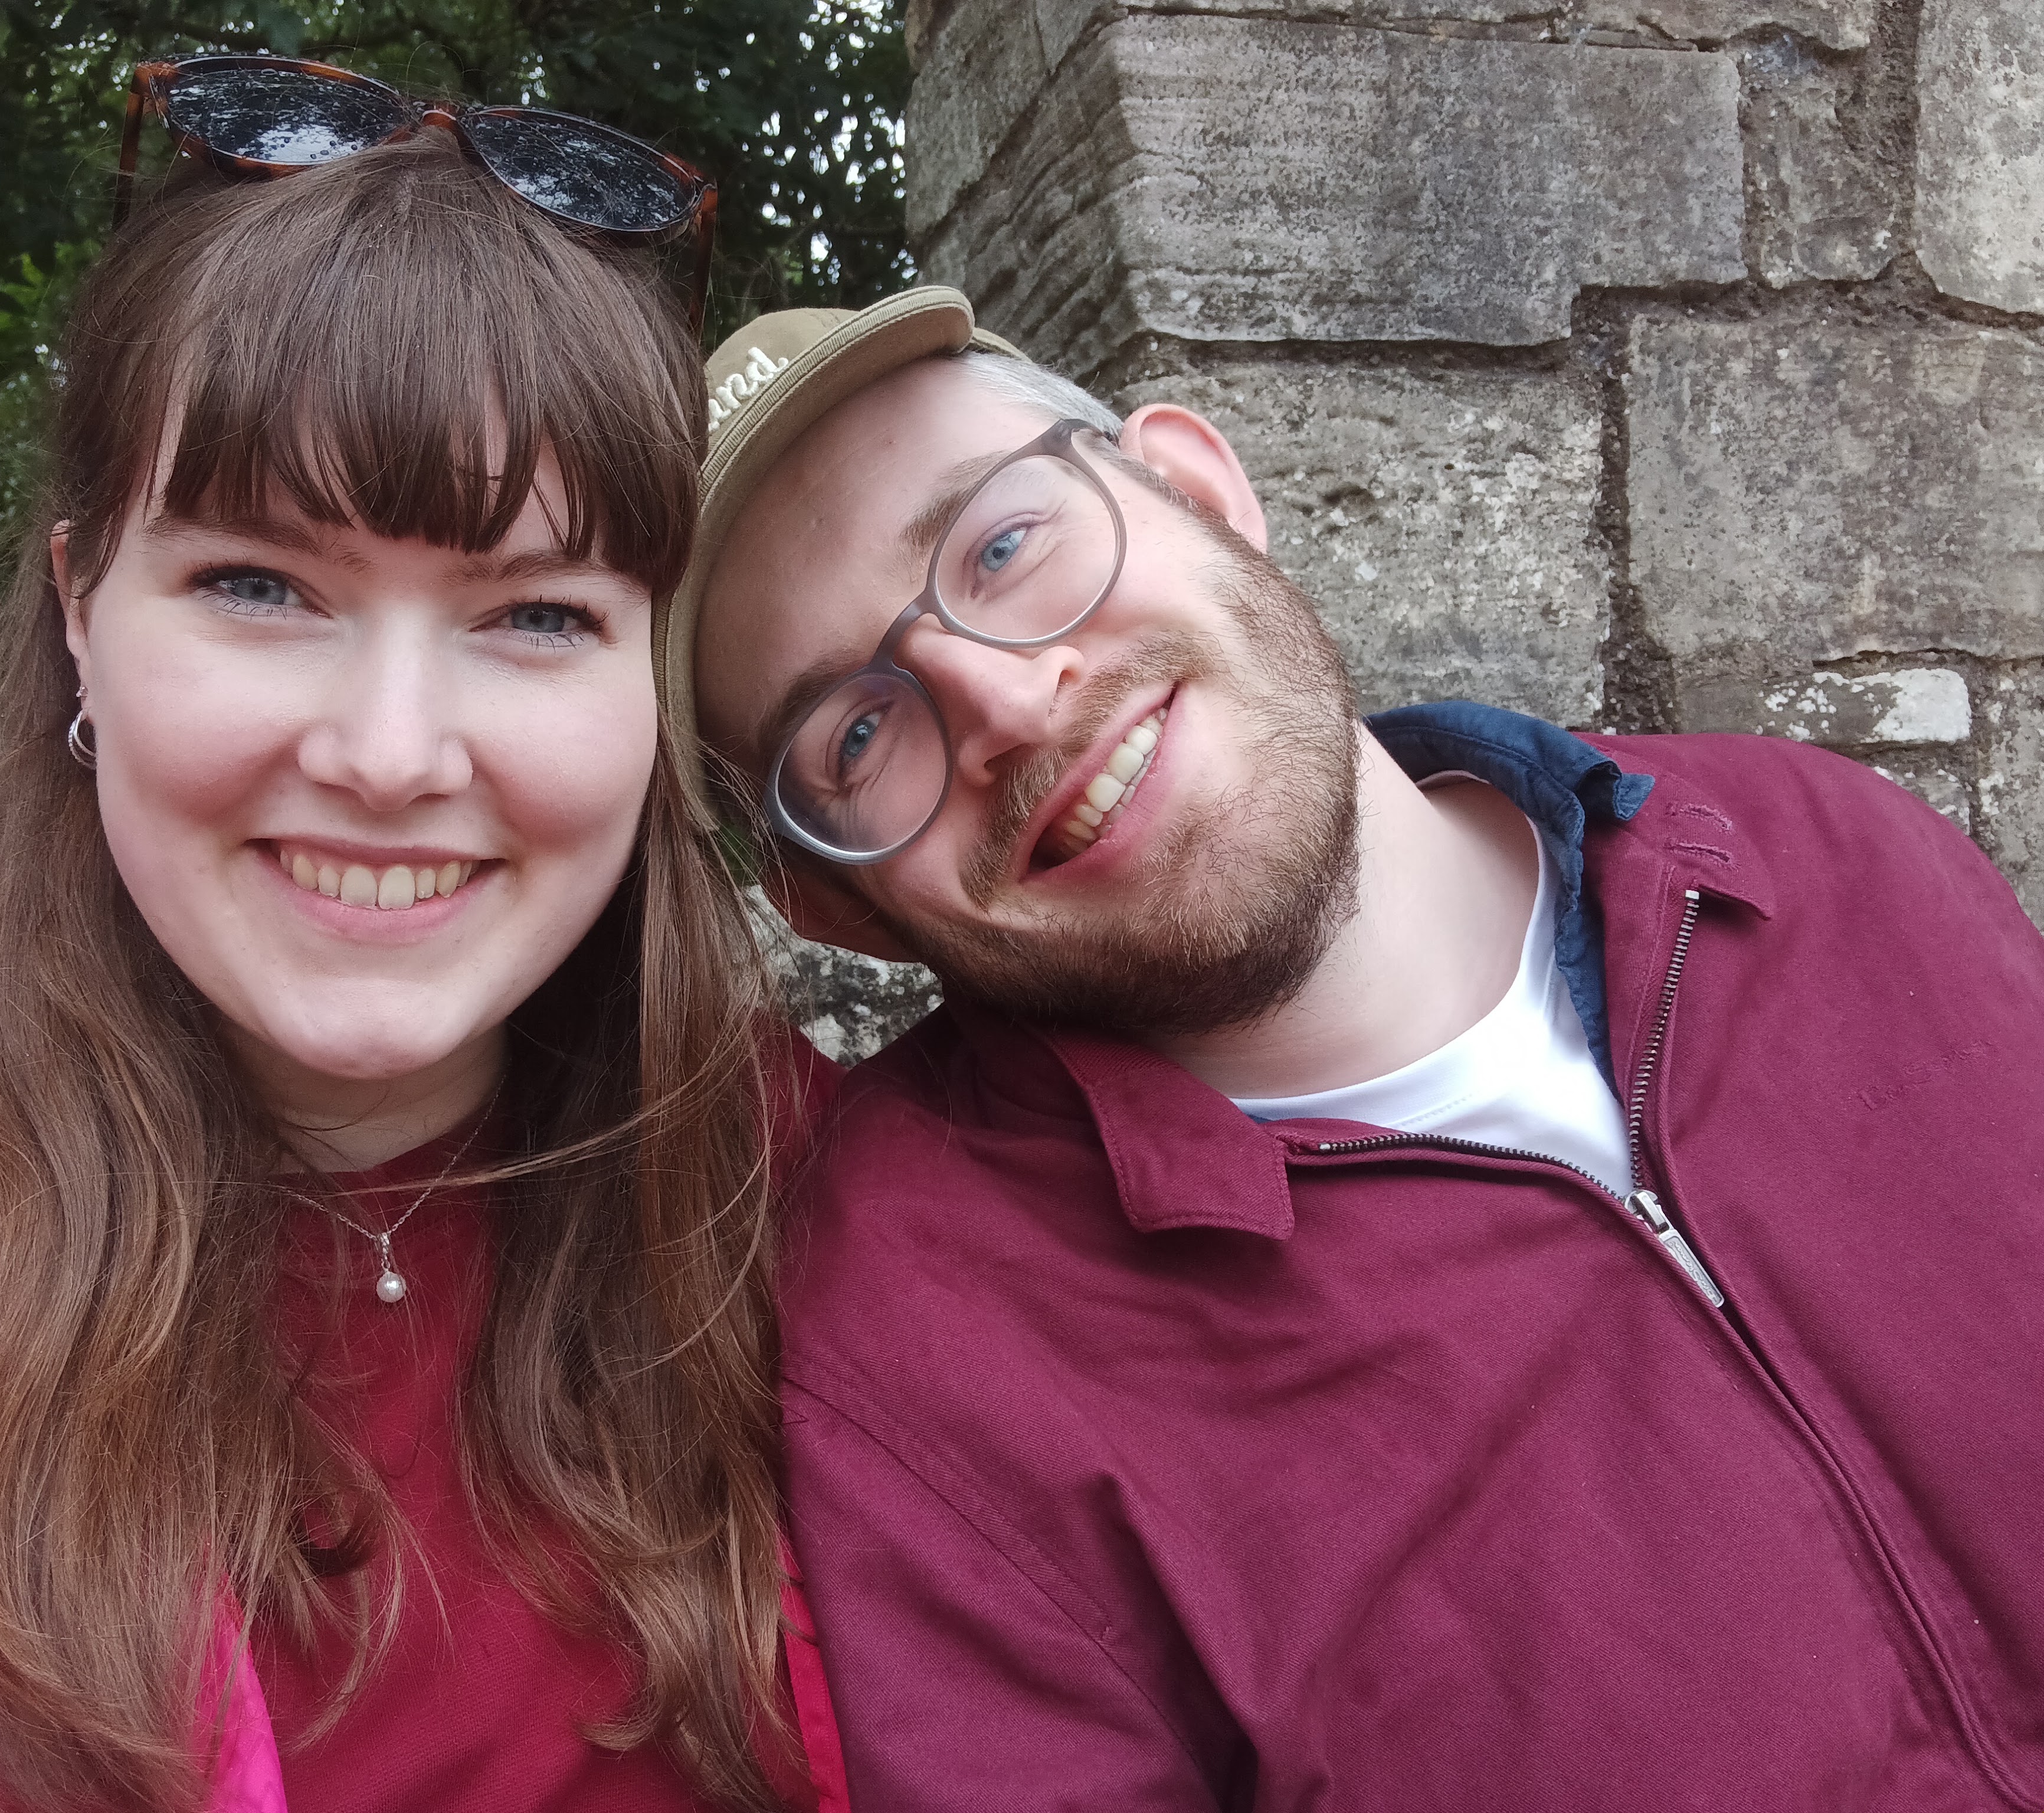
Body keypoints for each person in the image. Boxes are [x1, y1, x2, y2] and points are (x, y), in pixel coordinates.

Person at [0, 61, 847, 1813]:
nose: (391, 756)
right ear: (79, 609)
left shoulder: (851, 1215)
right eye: (260, 587)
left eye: (535, 615)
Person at [670, 286, 2044, 1808]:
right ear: (835, 906)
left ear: (1197, 488)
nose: (1004, 699)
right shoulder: (927, 1375)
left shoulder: (1828, 842)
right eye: (858, 735)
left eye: (1003, 546)